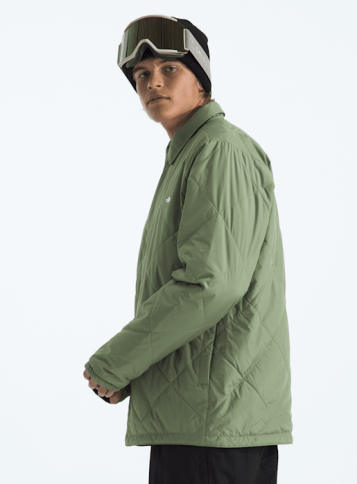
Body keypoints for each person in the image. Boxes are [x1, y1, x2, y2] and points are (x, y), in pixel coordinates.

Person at [83, 15, 293, 483]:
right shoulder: (190, 154)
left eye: (169, 69)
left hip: (212, 425)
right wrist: (135, 373)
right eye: (142, 74)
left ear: (201, 80)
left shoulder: (219, 150)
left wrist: (117, 363)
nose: (153, 82)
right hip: (201, 417)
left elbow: (209, 284)